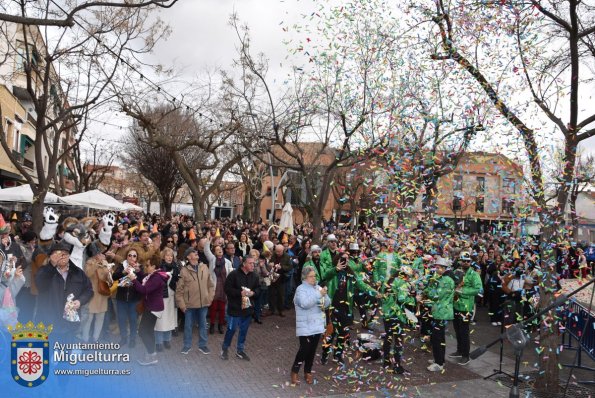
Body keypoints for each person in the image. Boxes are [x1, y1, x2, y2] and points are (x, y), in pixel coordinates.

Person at [35, 242, 93, 340]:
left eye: (65, 254)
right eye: (57, 254)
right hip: (47, 324)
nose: (62, 256)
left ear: (69, 256)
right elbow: (40, 285)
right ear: (51, 257)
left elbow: (88, 290)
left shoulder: (78, 272)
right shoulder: (45, 271)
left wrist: (80, 301)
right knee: (46, 353)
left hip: (69, 324)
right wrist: (52, 265)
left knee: (65, 353)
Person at [290, 266, 330, 385]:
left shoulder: (318, 288)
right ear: (305, 277)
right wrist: (318, 294)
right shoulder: (300, 289)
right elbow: (304, 304)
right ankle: (294, 371)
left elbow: (327, 304)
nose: (314, 278)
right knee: (304, 349)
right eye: (311, 276)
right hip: (305, 325)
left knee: (312, 351)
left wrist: (325, 295)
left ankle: (308, 372)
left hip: (317, 325)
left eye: (315, 276)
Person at [175, 247, 215, 355]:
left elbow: (211, 285)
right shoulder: (184, 271)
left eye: (196, 252)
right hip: (189, 305)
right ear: (188, 257)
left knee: (203, 325)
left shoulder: (204, 267)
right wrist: (182, 305)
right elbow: (179, 290)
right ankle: (187, 345)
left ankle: (203, 345)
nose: (196, 253)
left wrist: (210, 298)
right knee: (188, 327)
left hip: (203, 303)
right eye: (193, 252)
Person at [220, 255, 260, 361]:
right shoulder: (233, 275)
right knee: (231, 329)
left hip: (247, 309)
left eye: (254, 263)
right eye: (250, 263)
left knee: (243, 331)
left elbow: (259, 289)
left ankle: (240, 351)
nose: (253, 265)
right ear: (244, 264)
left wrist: (253, 293)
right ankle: (224, 349)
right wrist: (239, 293)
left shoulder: (255, 276)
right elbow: (227, 289)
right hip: (235, 309)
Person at [130, 259, 167, 366]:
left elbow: (144, 290)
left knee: (142, 331)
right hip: (152, 307)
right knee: (149, 331)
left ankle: (151, 355)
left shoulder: (156, 278)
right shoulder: (154, 275)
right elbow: (145, 279)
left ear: (154, 266)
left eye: (148, 265)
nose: (146, 267)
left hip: (153, 308)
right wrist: (138, 271)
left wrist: (133, 279)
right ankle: (151, 353)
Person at [448, 251, 482, 366]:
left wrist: (462, 291)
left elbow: (478, 289)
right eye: (464, 261)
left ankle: (465, 356)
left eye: (468, 261)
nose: (466, 263)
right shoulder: (456, 271)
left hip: (466, 307)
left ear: (470, 262)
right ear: (460, 261)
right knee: (457, 329)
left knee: (464, 331)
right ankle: (459, 350)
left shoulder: (474, 274)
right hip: (456, 305)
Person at [425, 257, 455, 372]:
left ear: (443, 268)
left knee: (438, 338)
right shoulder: (444, 279)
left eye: (438, 267)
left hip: (442, 312)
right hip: (440, 311)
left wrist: (427, 290)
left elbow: (437, 296)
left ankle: (439, 363)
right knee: (438, 337)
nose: (436, 269)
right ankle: (439, 359)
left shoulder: (446, 280)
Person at [81, 243, 112, 342]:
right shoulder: (89, 262)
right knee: (88, 319)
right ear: (95, 254)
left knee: (100, 318)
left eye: (100, 253)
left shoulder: (105, 262)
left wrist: (108, 272)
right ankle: (85, 339)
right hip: (92, 294)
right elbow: (87, 274)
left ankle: (95, 338)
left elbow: (110, 279)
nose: (101, 255)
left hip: (102, 294)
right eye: (99, 253)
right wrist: (96, 265)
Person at [112, 248, 142, 347]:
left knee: (133, 320)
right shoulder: (122, 266)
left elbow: (143, 281)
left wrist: (138, 272)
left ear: (137, 258)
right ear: (126, 256)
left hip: (134, 299)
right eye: (129, 255)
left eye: (134, 256)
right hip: (121, 298)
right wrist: (123, 272)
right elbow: (114, 277)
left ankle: (132, 339)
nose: (131, 257)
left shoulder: (139, 268)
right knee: (121, 319)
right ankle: (123, 338)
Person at [155, 247, 179, 351]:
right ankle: (158, 341)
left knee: (170, 319)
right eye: (167, 255)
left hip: (172, 295)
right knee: (160, 319)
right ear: (163, 257)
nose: (169, 257)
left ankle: (167, 339)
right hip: (161, 296)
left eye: (171, 256)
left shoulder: (176, 267)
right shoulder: (159, 268)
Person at [269, 244, 292, 317]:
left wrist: (281, 267)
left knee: (281, 295)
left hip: (281, 277)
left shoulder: (287, 256)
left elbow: (290, 267)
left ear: (283, 251)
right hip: (272, 277)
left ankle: (281, 310)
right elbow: (269, 262)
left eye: (279, 252)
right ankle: (271, 309)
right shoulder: (273, 255)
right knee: (271, 294)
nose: (277, 253)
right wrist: (271, 264)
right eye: (276, 251)